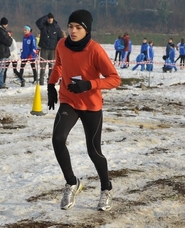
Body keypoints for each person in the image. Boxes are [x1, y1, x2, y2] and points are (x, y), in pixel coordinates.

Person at [47, 9, 121, 211]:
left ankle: (106, 188)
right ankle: (71, 182)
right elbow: (59, 64)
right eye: (70, 26)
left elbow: (115, 79)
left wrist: (89, 84)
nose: (73, 31)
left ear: (86, 30)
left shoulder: (95, 50)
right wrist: (51, 85)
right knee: (58, 138)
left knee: (94, 151)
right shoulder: (61, 44)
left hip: (91, 104)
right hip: (68, 100)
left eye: (78, 28)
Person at [35, 12, 62, 85]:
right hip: (44, 48)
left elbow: (60, 37)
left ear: (53, 19)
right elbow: (37, 22)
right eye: (49, 18)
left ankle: (50, 81)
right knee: (43, 66)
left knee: (52, 66)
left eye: (51, 18)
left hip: (53, 50)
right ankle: (41, 81)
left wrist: (59, 47)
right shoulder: (43, 26)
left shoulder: (56, 27)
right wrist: (45, 16)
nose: (50, 20)